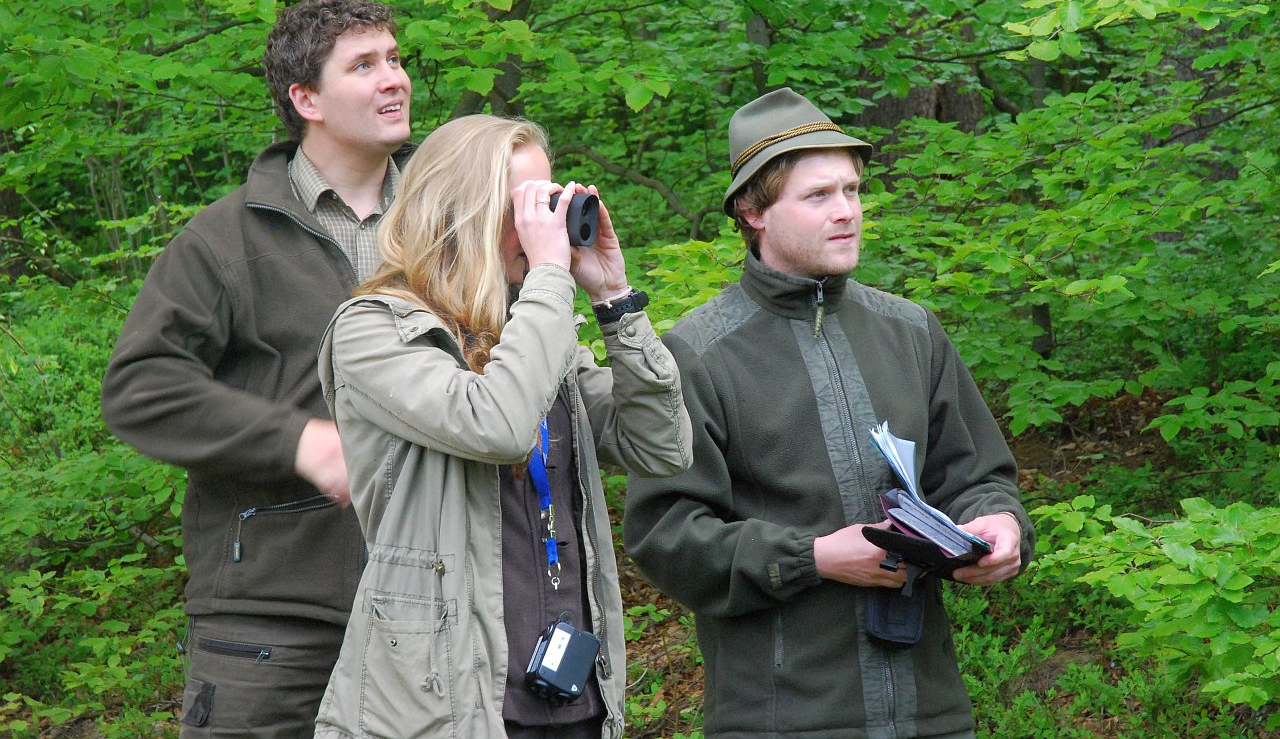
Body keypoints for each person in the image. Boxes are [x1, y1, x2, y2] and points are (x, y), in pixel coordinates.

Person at [623, 87, 1034, 739]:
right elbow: (665, 535)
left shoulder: (911, 332)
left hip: (930, 714)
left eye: (851, 190)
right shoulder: (698, 354)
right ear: (752, 210)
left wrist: (1000, 525)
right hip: (779, 718)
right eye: (818, 195)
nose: (846, 211)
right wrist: (812, 557)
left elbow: (977, 476)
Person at [312, 114, 692, 739]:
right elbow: (499, 425)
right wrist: (550, 280)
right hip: (446, 703)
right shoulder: (375, 329)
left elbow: (662, 447)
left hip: (572, 693)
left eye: (550, 200)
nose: (546, 223)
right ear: (460, 211)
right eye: (526, 205)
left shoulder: (532, 330)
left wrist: (615, 300)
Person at [101, 0, 413, 738]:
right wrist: (298, 441)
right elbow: (141, 386)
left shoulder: (447, 221)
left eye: (395, 59)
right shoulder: (224, 239)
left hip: (432, 604)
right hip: (273, 619)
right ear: (306, 100)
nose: (394, 79)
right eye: (363, 65)